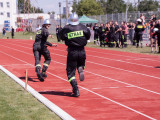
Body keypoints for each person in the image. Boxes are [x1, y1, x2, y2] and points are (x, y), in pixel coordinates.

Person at [59, 13, 91, 97]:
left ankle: (76, 89)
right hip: (82, 51)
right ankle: (81, 67)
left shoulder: (67, 28)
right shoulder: (83, 27)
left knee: (70, 72)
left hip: (72, 51)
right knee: (80, 63)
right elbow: (88, 36)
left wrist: (67, 38)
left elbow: (61, 36)